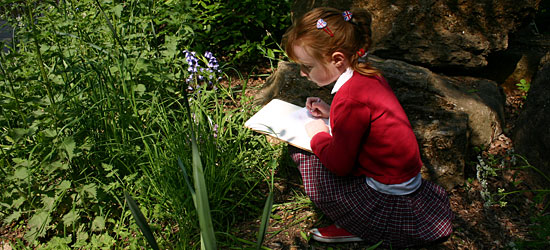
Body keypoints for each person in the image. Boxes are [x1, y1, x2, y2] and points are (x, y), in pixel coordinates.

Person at [282, 7, 454, 248]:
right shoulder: (366, 74)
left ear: (337, 60)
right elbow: (367, 121)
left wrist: (318, 135)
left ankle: (359, 225)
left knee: (304, 155)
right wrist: (332, 112)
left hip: (386, 193)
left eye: (307, 67)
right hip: (403, 180)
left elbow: (340, 166)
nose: (302, 73)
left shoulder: (350, 98)